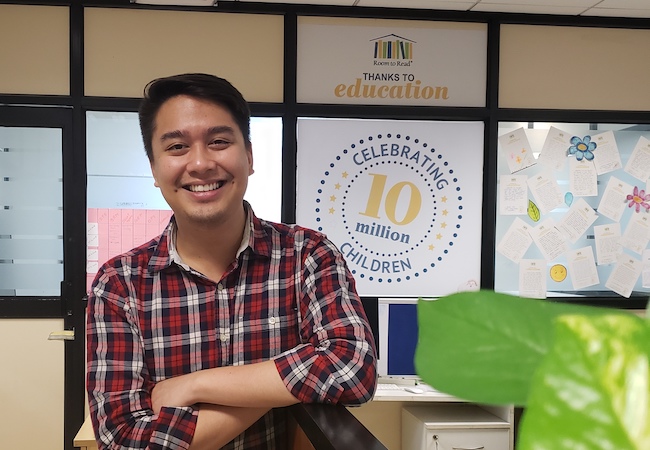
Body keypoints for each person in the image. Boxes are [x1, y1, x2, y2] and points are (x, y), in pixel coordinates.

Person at [86, 73, 377, 450]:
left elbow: (354, 368)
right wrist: (274, 388)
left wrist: (197, 384)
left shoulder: (307, 254)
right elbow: (124, 439)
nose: (201, 163)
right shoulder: (119, 283)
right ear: (155, 169)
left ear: (250, 157)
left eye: (219, 142)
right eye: (177, 147)